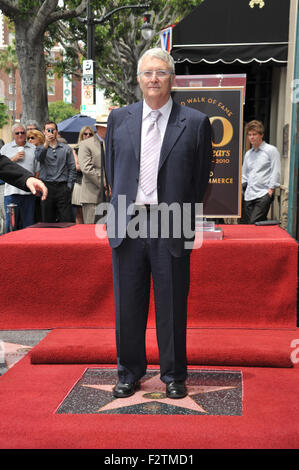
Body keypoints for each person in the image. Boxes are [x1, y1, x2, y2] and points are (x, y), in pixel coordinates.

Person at [105, 48, 212, 399]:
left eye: (161, 73)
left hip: (172, 222)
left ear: (172, 79)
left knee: (172, 305)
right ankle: (128, 372)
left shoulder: (195, 122)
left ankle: (174, 374)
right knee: (128, 304)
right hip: (128, 221)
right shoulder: (119, 119)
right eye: (148, 73)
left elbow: (200, 180)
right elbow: (112, 171)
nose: (154, 79)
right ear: (138, 79)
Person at [35, 121, 76, 223]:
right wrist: (46, 144)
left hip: (62, 187)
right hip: (47, 187)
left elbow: (72, 167)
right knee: (47, 220)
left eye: (52, 130)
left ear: (56, 131)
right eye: (48, 130)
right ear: (44, 132)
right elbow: (39, 158)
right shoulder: (40, 148)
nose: (50, 132)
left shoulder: (66, 148)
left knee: (66, 219)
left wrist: (69, 186)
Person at [1, 124, 40, 232]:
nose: (20, 135)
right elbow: (2, 168)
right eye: (17, 133)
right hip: (11, 193)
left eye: (22, 132)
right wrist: (14, 158)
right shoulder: (5, 148)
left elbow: (37, 170)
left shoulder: (33, 148)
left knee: (29, 225)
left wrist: (35, 188)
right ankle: (9, 247)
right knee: (11, 225)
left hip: (28, 193)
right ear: (13, 134)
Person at [242, 120, 281, 224]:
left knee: (254, 223)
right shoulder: (248, 154)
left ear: (261, 135)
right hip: (249, 195)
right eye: (249, 134)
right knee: (252, 226)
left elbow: (276, 170)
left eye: (254, 134)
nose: (252, 137)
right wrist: (244, 187)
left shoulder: (271, 150)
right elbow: (244, 173)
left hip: (263, 193)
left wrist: (271, 190)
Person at [78, 115, 108, 223]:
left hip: (109, 196)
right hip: (92, 196)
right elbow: (87, 169)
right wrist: (105, 185)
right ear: (99, 128)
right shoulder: (86, 144)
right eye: (107, 127)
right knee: (90, 231)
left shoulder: (112, 143)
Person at [71, 126, 95, 224]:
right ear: (81, 135)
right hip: (80, 182)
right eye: (85, 134)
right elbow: (77, 166)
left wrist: (85, 166)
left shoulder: (96, 148)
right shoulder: (76, 148)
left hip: (92, 184)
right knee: (79, 213)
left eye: (90, 134)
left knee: (91, 214)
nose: (88, 136)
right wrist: (89, 167)